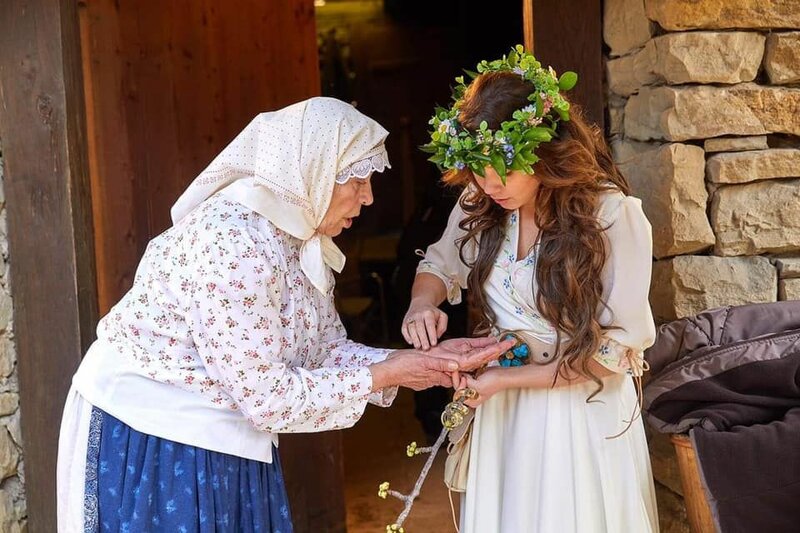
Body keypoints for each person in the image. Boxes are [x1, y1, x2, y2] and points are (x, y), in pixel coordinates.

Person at [56, 97, 512, 532]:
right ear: (312, 171)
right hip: (154, 437)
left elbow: (322, 351)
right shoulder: (234, 244)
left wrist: (413, 364)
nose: (369, 197)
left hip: (223, 436)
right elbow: (266, 398)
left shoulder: (298, 236)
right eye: (357, 180)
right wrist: (389, 373)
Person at [403, 48, 659, 532]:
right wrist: (422, 303)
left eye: (503, 167)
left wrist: (507, 380)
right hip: (503, 411)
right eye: (477, 168)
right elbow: (438, 264)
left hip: (579, 413)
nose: (489, 183)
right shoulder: (483, 202)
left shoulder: (611, 216)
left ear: (543, 151)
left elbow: (613, 354)